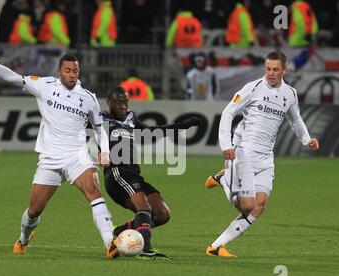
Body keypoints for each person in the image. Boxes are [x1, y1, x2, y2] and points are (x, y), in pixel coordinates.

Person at [0, 49, 117, 257]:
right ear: (59, 71)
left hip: (77, 156)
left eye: (76, 71)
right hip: (50, 158)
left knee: (94, 192)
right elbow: (11, 76)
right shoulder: (43, 86)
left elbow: (100, 128)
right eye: (68, 71)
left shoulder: (88, 98)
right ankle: (24, 237)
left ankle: (110, 243)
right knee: (34, 210)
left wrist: (105, 152)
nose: (73, 75)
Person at [203, 51, 319, 257]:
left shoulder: (290, 94)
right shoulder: (253, 88)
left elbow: (295, 120)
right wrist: (226, 145)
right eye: (268, 69)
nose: (271, 73)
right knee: (247, 206)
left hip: (266, 158)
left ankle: (215, 247)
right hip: (243, 153)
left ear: (285, 70)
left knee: (259, 206)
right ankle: (223, 179)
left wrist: (306, 139)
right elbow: (229, 112)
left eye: (275, 69)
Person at [103, 86, 201, 259]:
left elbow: (152, 132)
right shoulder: (99, 120)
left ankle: (120, 231)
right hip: (117, 174)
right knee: (144, 207)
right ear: (108, 102)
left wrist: (181, 126)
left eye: (125, 102)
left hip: (133, 174)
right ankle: (144, 249)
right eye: (118, 102)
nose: (123, 106)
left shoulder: (131, 119)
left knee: (162, 214)